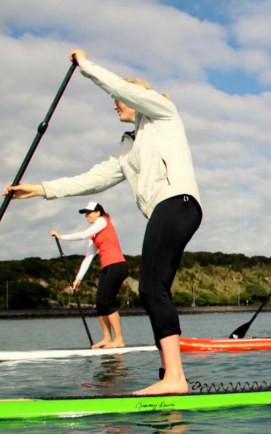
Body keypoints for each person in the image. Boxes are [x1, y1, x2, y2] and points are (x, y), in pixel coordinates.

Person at [3, 49, 202, 395]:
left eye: (118, 99)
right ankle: (170, 372)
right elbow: (91, 180)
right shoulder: (129, 147)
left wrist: (85, 66)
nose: (115, 105)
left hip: (177, 203)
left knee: (151, 288)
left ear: (135, 96)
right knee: (154, 290)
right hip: (166, 211)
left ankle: (175, 379)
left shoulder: (163, 113)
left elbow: (120, 89)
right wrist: (39, 190)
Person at [52, 201, 129, 349]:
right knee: (100, 304)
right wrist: (78, 279)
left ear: (98, 212)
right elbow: (88, 258)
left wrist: (61, 237)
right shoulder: (93, 235)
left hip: (117, 265)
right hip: (107, 267)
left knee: (107, 302)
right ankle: (107, 338)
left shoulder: (103, 221)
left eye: (89, 212)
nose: (87, 216)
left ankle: (119, 340)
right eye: (85, 213)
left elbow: (82, 234)